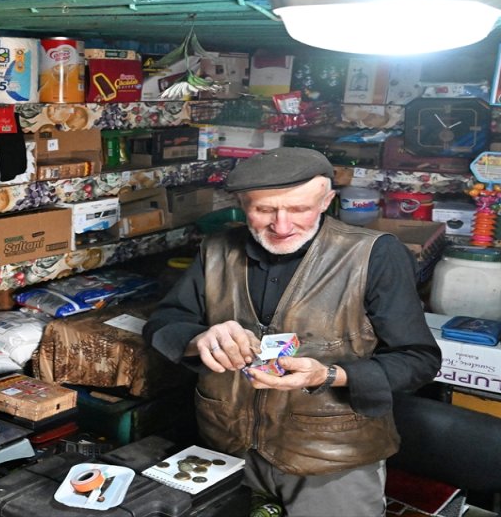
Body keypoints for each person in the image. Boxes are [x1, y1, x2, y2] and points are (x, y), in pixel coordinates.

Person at [143, 148, 440, 517]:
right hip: (225, 448)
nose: (281, 226)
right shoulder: (217, 249)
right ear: (242, 204)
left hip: (330, 460)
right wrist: (199, 339)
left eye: (299, 209)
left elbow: (418, 359)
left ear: (327, 201)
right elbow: (164, 322)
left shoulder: (374, 255)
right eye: (264, 210)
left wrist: (329, 374)